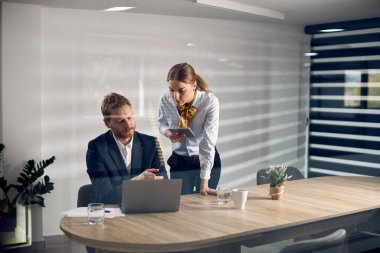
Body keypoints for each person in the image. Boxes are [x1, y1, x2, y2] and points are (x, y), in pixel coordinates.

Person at [86, 92, 168, 204]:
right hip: (113, 214)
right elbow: (104, 196)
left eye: (130, 118)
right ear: (107, 123)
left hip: (146, 208)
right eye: (120, 121)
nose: (128, 125)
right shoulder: (96, 148)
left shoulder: (151, 143)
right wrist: (137, 182)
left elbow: (163, 184)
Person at [158, 63, 221, 195]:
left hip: (205, 159)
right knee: (180, 205)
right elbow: (161, 123)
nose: (175, 96)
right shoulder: (165, 98)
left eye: (181, 90)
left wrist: (204, 184)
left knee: (203, 203)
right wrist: (168, 133)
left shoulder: (209, 102)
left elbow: (207, 142)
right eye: (171, 90)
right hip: (179, 161)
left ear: (194, 86)